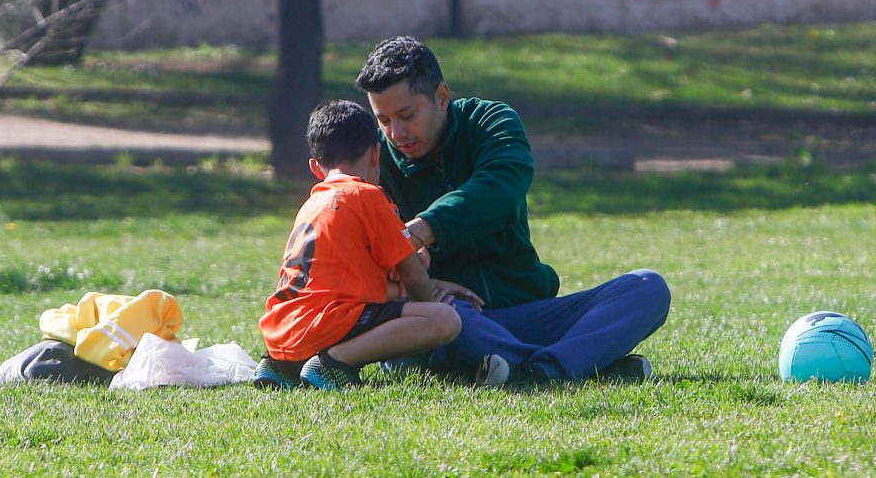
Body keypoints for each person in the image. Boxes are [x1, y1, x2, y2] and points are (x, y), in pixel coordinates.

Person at [355, 36, 671, 387]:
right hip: (452, 316)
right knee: (440, 324)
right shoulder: (372, 162)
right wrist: (423, 285)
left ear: (442, 97)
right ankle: (579, 364)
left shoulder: (492, 120)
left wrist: (419, 231)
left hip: (527, 311)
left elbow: (501, 185)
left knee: (647, 287)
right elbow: (357, 265)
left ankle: (532, 369)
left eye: (406, 115)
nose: (396, 133)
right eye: (383, 119)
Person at [254, 99, 481, 391]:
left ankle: (283, 367)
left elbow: (347, 286)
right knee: (446, 320)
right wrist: (429, 299)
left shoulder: (311, 204)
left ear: (316, 167)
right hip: (325, 322)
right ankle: (333, 363)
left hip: (282, 330)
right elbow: (412, 276)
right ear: (376, 154)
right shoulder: (368, 196)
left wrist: (427, 282)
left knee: (360, 312)